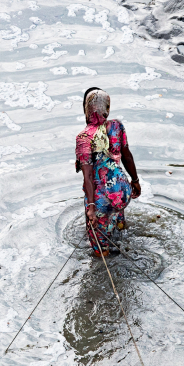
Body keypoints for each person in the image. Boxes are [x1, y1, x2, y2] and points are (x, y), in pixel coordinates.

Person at [76, 88, 141, 256]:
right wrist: (135, 180)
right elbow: (126, 155)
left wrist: (91, 208)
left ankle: (102, 251)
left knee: (99, 241)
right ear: (107, 108)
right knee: (116, 208)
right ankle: (120, 227)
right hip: (122, 191)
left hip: (102, 198)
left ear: (86, 109)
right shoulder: (117, 126)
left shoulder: (84, 138)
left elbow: (88, 177)